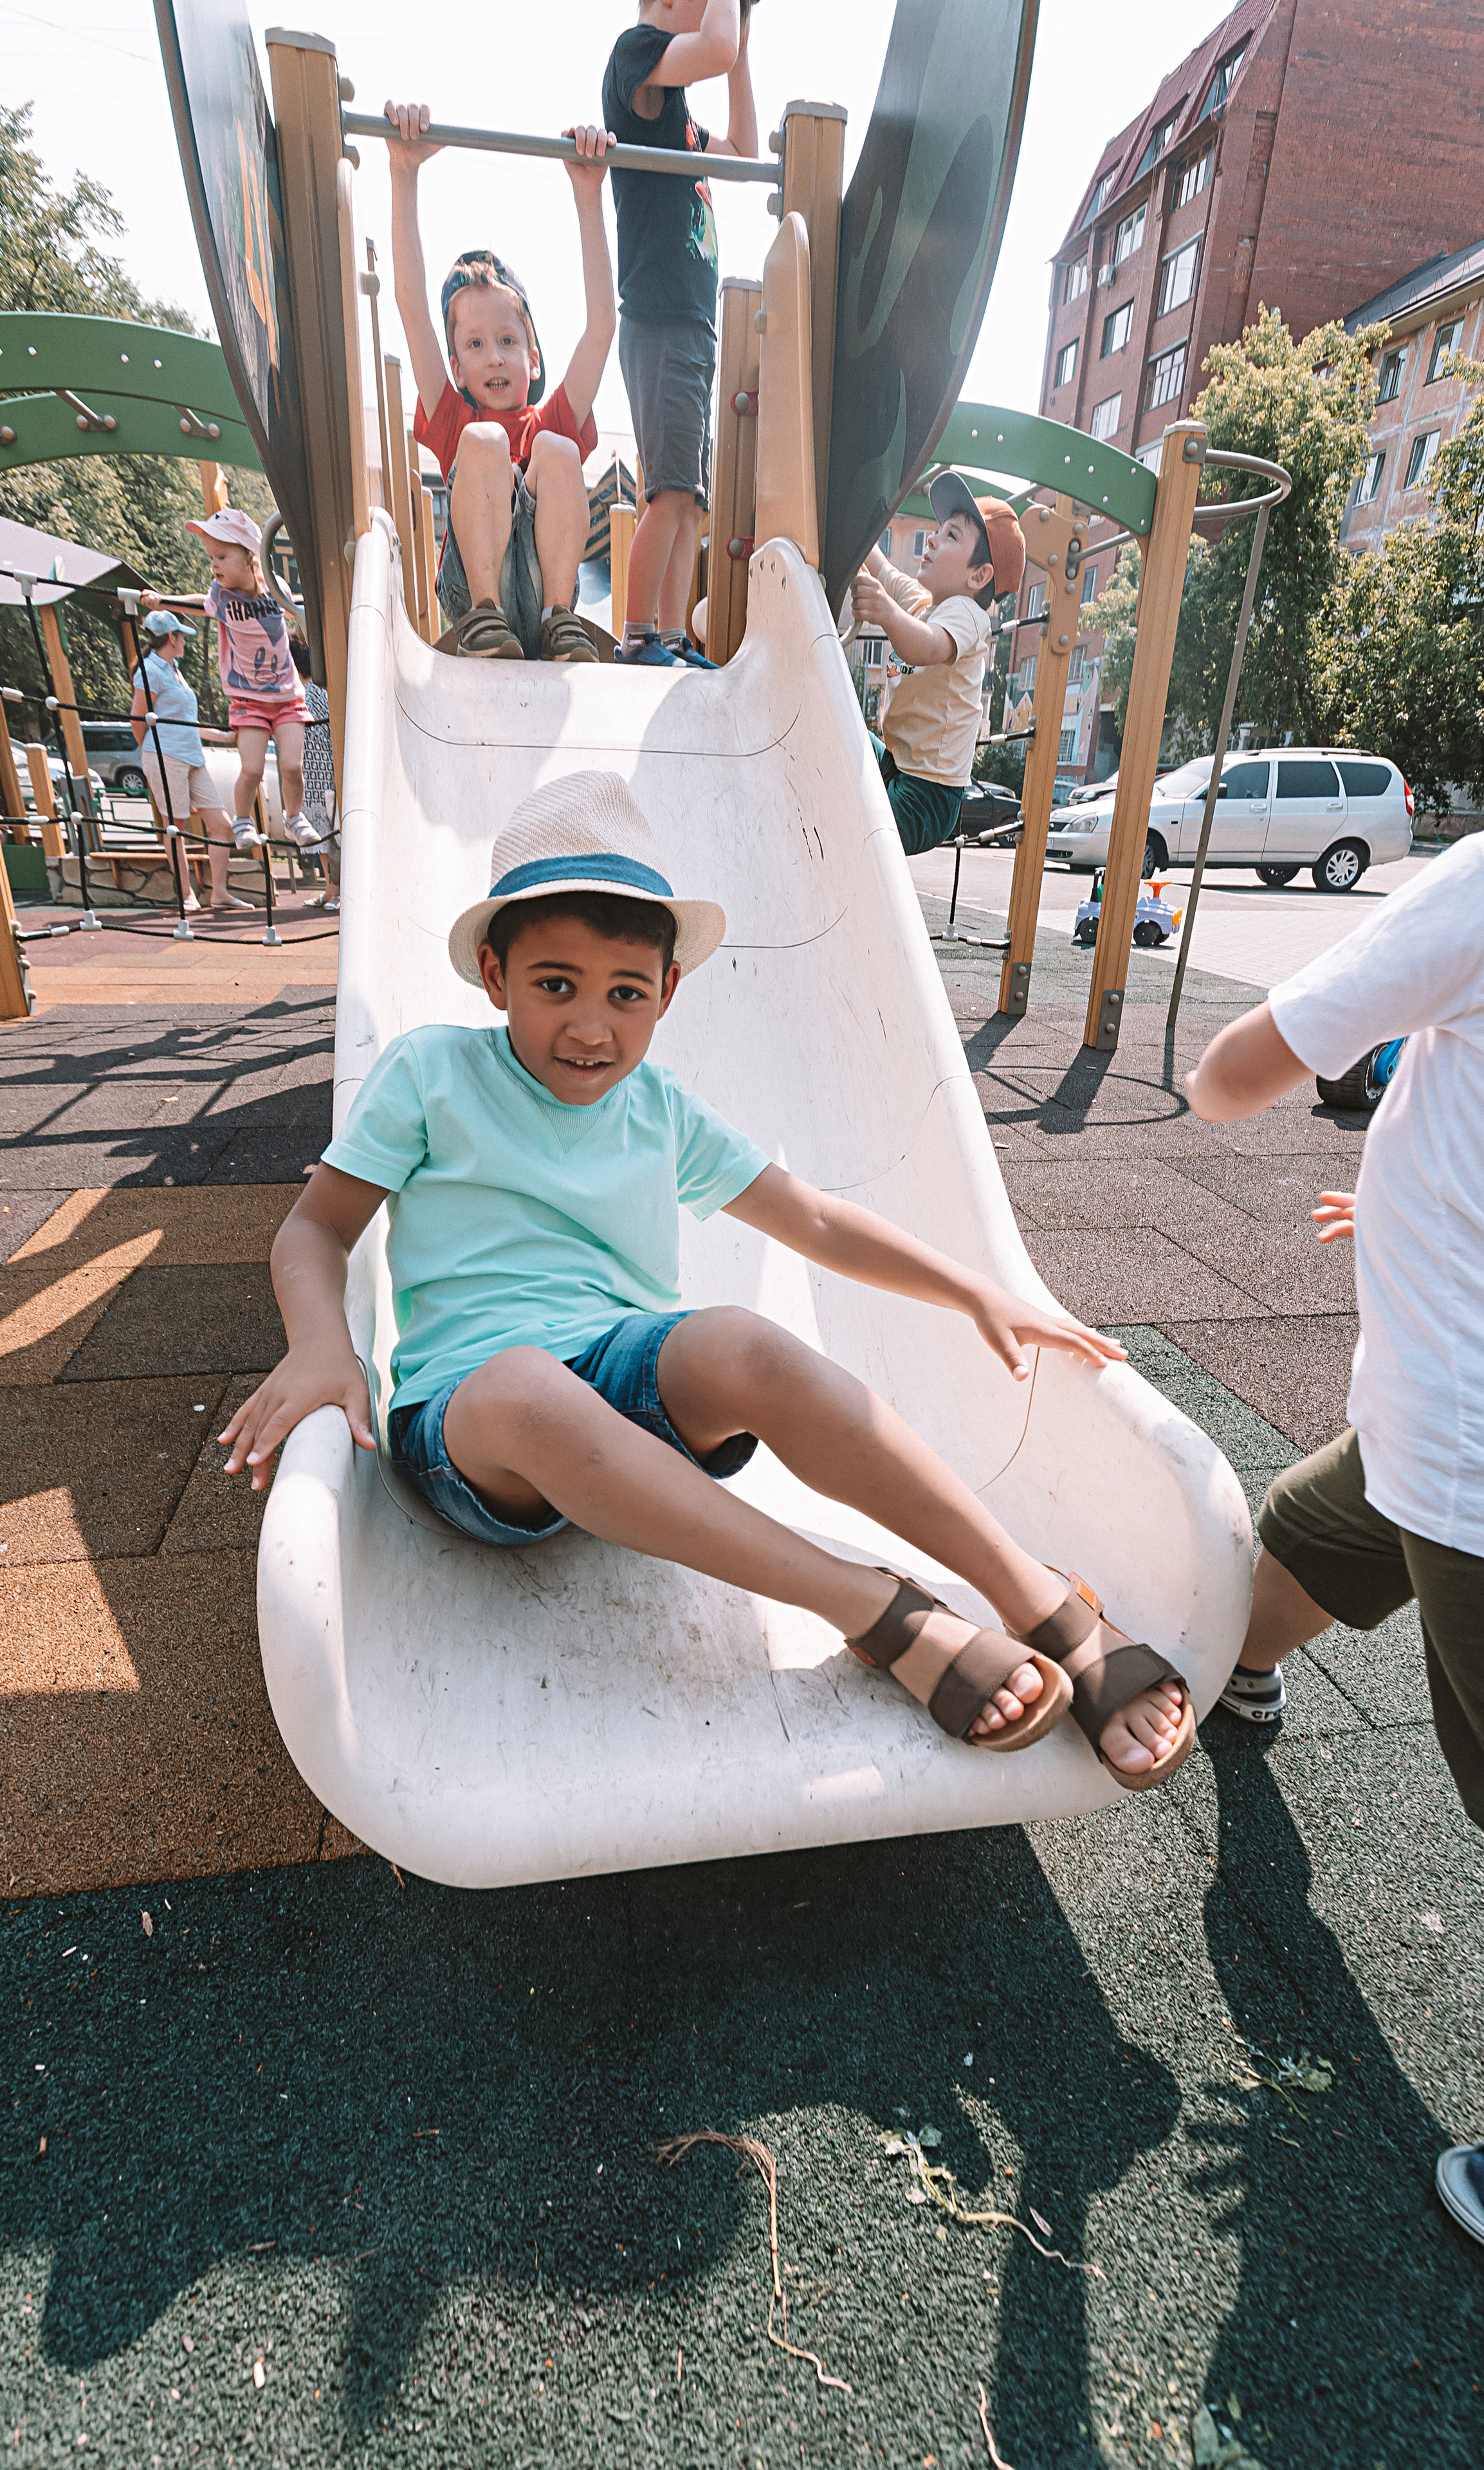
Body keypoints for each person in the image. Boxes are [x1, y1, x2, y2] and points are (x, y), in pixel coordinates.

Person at [221, 770, 1195, 1787]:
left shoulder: (660, 1108)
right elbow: (315, 1229)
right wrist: (322, 1346)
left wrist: (977, 1289)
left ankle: (1039, 1596)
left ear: (668, 992)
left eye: (625, 994)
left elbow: (813, 1217)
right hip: (473, 1429)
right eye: (556, 986)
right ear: (495, 976)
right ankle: (870, 1606)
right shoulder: (433, 1074)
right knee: (522, 1386)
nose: (593, 1028)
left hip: (621, 1382)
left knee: (741, 1339)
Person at [1186, 834, 1484, 2247]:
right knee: (1299, 1538)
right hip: (1421, 1431)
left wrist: (1229, 1075)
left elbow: (1246, 1065)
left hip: (1469, 1454)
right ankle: (1238, 1672)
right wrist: (1415, 1196)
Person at [383, 101, 612, 664]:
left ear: (533, 357)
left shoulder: (550, 421)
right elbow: (413, 309)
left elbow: (603, 325)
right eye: (476, 345)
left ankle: (561, 620)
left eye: (508, 342)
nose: (495, 359)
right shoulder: (454, 419)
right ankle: (484, 615)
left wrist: (589, 196)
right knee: (483, 445)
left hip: (542, 596)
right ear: (456, 367)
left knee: (557, 451)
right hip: (473, 592)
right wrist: (404, 174)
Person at [601, 0, 757, 666]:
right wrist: (728, 37)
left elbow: (746, 154)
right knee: (668, 491)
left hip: (690, 326)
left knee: (689, 501)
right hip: (661, 319)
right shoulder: (634, 57)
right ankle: (639, 637)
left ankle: (667, 637)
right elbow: (714, 46)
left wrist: (744, 36)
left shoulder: (680, 119)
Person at [850, 475, 1025, 855]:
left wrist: (885, 612)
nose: (932, 539)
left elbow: (926, 647)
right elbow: (881, 567)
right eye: (939, 530)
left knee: (856, 831)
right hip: (898, 766)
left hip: (929, 797)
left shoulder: (969, 617)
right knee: (841, 727)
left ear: (978, 577)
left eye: (951, 537)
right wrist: (855, 512)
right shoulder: (922, 602)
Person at [142, 508, 323, 854]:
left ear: (251, 556)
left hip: (286, 696)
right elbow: (200, 604)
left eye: (222, 556)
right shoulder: (221, 597)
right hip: (249, 699)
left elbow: (300, 608)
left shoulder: (275, 589)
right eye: (211, 557)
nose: (214, 565)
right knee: (252, 769)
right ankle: (243, 821)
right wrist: (162, 600)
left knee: (292, 766)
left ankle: (295, 817)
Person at [129, 610, 251, 915]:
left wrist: (223, 736)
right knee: (176, 826)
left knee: (222, 826)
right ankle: (186, 893)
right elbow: (137, 720)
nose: (184, 641)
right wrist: (154, 750)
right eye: (181, 636)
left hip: (192, 756)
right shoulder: (150, 669)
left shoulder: (175, 670)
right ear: (171, 638)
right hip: (166, 756)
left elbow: (186, 722)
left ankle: (219, 892)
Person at [290, 637, 337, 911]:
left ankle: (333, 890)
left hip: (313, 770)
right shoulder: (324, 692)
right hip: (327, 767)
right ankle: (332, 890)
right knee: (330, 833)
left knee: (323, 835)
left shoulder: (300, 694)